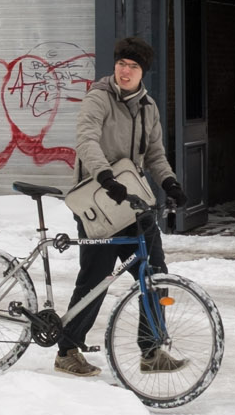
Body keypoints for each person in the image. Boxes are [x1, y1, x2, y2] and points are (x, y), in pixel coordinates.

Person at [54, 36, 190, 378]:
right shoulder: (98, 98)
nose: (125, 71)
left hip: (133, 200)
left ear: (143, 72)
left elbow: (155, 154)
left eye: (133, 66)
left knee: (154, 273)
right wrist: (105, 176)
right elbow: (86, 139)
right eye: (121, 64)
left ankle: (151, 350)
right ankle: (67, 349)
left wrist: (170, 182)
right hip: (98, 200)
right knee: (96, 278)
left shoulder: (148, 108)